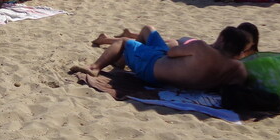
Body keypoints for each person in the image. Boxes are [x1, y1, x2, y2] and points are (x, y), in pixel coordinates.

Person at [71, 26, 250, 90]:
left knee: (125, 42)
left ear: (222, 40)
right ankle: (120, 61)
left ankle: (95, 68)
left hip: (152, 68)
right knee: (148, 29)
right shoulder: (237, 68)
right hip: (168, 73)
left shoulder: (202, 48)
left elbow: (171, 53)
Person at [92, 22, 260, 59]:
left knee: (147, 40)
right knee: (145, 43)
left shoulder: (240, 48)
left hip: (187, 43)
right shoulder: (237, 49)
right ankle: (106, 39)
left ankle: (124, 35)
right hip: (183, 45)